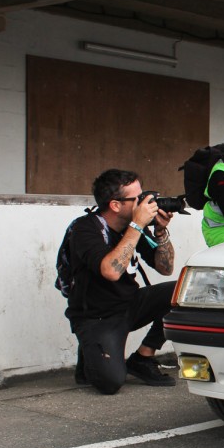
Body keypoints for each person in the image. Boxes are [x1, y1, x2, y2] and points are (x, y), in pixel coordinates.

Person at [65, 169, 177, 394]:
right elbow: (110, 271)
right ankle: (90, 355)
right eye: (137, 198)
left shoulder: (132, 226)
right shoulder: (85, 228)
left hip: (129, 304)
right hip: (97, 317)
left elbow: (165, 269)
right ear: (115, 205)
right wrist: (136, 226)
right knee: (111, 383)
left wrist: (160, 232)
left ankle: (143, 357)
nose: (144, 203)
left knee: (185, 291)